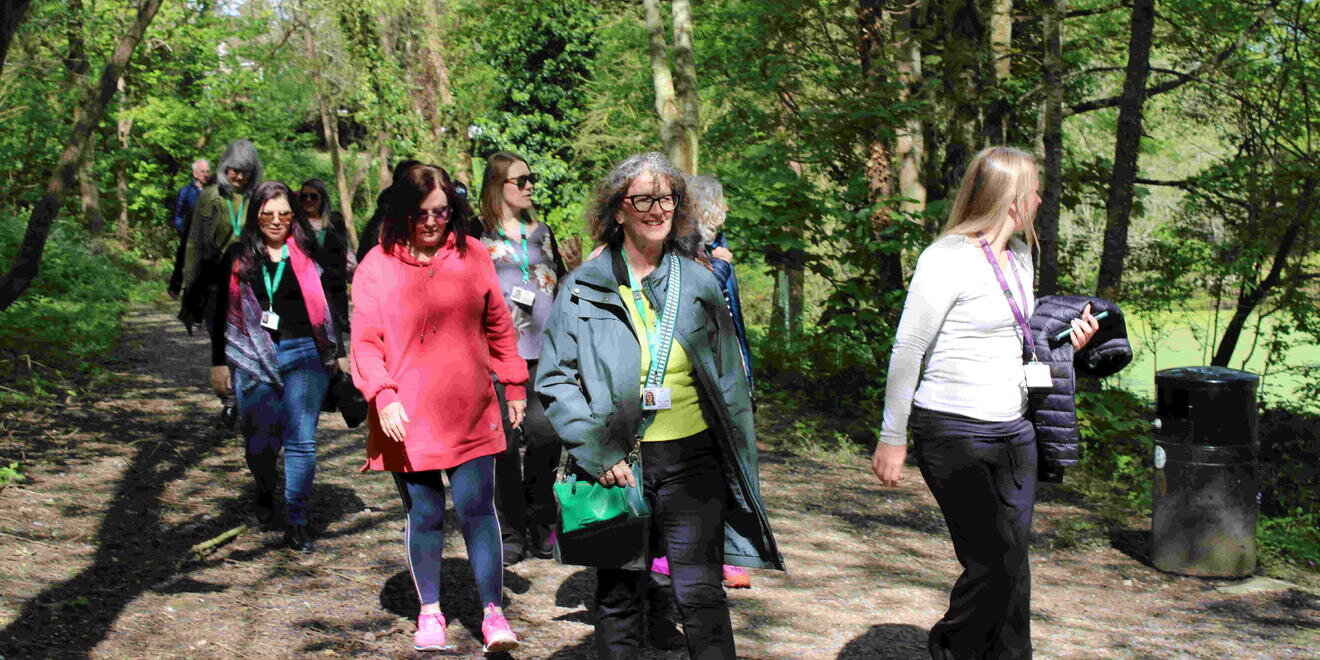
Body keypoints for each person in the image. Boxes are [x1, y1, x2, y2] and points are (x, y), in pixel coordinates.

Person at [537, 152, 784, 659]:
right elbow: (556, 377)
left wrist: (738, 451)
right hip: (615, 465)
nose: (656, 209)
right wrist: (596, 451)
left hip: (693, 460)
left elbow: (729, 378)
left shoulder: (699, 283)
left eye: (666, 197)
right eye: (642, 198)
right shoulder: (582, 287)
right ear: (618, 210)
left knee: (701, 594)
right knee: (619, 597)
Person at [871, 146, 1099, 660]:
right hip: (953, 432)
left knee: (1013, 566)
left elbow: (1019, 337)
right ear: (1011, 198)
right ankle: (950, 647)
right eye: (1034, 189)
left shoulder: (1021, 256)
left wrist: (1068, 343)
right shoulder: (946, 257)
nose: (1040, 198)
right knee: (992, 562)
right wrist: (893, 435)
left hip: (1015, 432)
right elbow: (909, 348)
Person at [351, 164, 525, 654]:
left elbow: (499, 325)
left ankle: (493, 612)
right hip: (405, 417)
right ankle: (430, 612)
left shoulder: (473, 255)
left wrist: (513, 385)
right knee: (425, 513)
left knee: (476, 508)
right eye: (422, 213)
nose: (433, 222)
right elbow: (364, 342)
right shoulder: (375, 267)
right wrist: (382, 395)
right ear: (403, 212)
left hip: (470, 408)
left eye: (442, 212)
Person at [209, 181, 349, 552]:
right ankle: (265, 489)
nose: (276, 220)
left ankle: (297, 522)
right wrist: (219, 362)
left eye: (284, 213)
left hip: (304, 353)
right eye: (268, 213)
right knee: (260, 441)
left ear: (294, 216)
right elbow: (219, 311)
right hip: (254, 356)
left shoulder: (307, 251)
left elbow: (331, 299)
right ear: (256, 215)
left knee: (301, 440)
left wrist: (338, 350)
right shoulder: (239, 256)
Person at [476, 151, 574, 565]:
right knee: (503, 445)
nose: (530, 185)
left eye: (530, 178)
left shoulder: (543, 233)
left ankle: (542, 519)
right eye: (521, 180)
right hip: (499, 357)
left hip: (546, 354)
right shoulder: (478, 239)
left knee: (546, 438)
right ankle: (510, 529)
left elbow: (562, 285)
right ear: (498, 187)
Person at [181, 139, 264, 427]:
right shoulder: (209, 196)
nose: (236, 177)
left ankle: (248, 397)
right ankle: (229, 401)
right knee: (221, 338)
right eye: (232, 170)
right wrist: (188, 285)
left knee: (252, 339)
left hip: (251, 281)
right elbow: (193, 241)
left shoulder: (259, 198)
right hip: (215, 277)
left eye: (243, 171)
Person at [298, 177, 358, 280]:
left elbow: (345, 248)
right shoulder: (296, 224)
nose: (308, 200)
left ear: (322, 198)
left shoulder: (335, 220)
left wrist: (355, 269)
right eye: (304, 196)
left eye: (313, 196)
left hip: (335, 285)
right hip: (308, 284)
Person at [167, 159, 211, 298]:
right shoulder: (185, 192)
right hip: (189, 233)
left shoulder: (213, 191)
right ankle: (175, 287)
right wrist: (183, 232)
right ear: (195, 174)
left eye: (208, 171)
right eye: (203, 171)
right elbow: (178, 215)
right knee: (182, 260)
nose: (206, 174)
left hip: (208, 235)